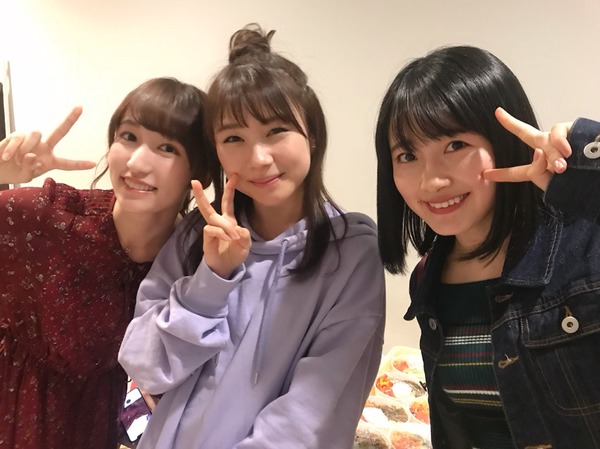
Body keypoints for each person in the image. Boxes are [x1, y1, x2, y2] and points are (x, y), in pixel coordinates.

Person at [118, 24, 386, 449]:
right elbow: (144, 366)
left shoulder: (349, 253)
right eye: (234, 138)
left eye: (277, 131)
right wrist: (210, 281)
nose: (258, 158)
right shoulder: (197, 235)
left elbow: (309, 418)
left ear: (312, 134)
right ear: (217, 151)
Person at [374, 44, 600, 449]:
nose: (431, 181)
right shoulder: (428, 277)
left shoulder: (584, 245)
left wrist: (588, 161)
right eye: (407, 155)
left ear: (504, 141)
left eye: (454, 146)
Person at [0, 77, 216, 449]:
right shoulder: (46, 218)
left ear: (202, 170)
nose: (136, 163)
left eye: (167, 148)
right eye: (128, 137)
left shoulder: (194, 261)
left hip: (96, 430)